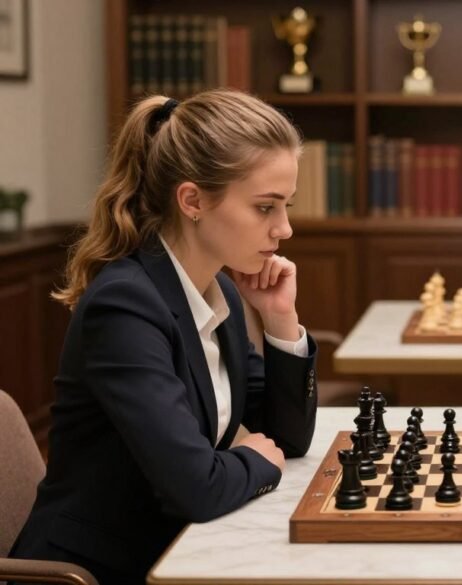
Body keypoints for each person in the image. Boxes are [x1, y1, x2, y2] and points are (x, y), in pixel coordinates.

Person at [10, 90, 318, 584]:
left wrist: (280, 321)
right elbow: (196, 487)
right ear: (192, 201)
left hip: (180, 549)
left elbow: (287, 438)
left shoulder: (219, 290)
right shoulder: (125, 306)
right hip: (98, 571)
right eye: (265, 207)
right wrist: (255, 460)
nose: (284, 229)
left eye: (286, 206)